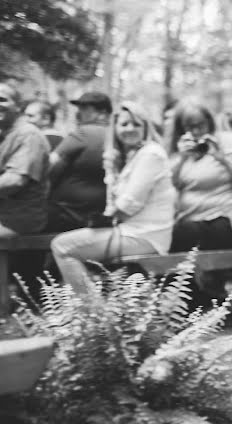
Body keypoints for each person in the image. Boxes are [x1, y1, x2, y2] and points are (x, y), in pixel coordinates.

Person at [51, 103, 176, 294]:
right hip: (128, 231)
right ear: (115, 129)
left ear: (146, 128)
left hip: (144, 235)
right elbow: (114, 204)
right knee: (68, 241)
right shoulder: (129, 157)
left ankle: (92, 312)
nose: (130, 129)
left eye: (136, 124)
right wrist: (111, 170)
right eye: (124, 124)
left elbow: (128, 205)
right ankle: (89, 307)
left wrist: (104, 217)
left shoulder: (151, 154)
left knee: (62, 246)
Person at [169, 101, 232, 251]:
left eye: (201, 125)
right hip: (187, 220)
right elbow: (169, 189)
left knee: (186, 234)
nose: (197, 131)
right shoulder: (178, 150)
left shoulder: (227, 141)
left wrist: (222, 159)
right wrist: (181, 158)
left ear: (210, 122)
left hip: (222, 222)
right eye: (190, 127)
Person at [45, 91, 113, 232]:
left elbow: (50, 164)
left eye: (85, 109)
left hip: (67, 211)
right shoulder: (116, 135)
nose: (79, 113)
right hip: (101, 210)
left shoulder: (84, 132)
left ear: (103, 112)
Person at [0, 82, 50, 238]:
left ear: (19, 106)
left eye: (2, 100)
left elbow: (15, 181)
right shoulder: (6, 135)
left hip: (17, 220)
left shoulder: (29, 135)